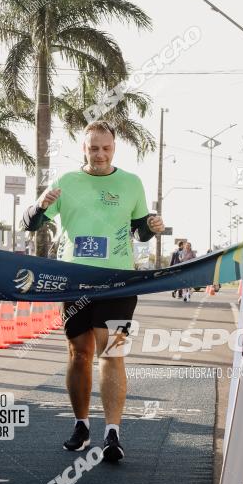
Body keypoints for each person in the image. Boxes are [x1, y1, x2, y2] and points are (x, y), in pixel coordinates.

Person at [22, 120, 165, 463]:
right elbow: (31, 224)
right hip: (75, 281)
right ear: (83, 150)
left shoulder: (131, 183)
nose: (100, 155)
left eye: (106, 148)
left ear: (114, 148)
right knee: (80, 355)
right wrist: (39, 206)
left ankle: (112, 432)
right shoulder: (67, 182)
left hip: (118, 282)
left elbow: (139, 231)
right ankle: (81, 424)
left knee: (113, 353)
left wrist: (151, 227)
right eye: (93, 148)